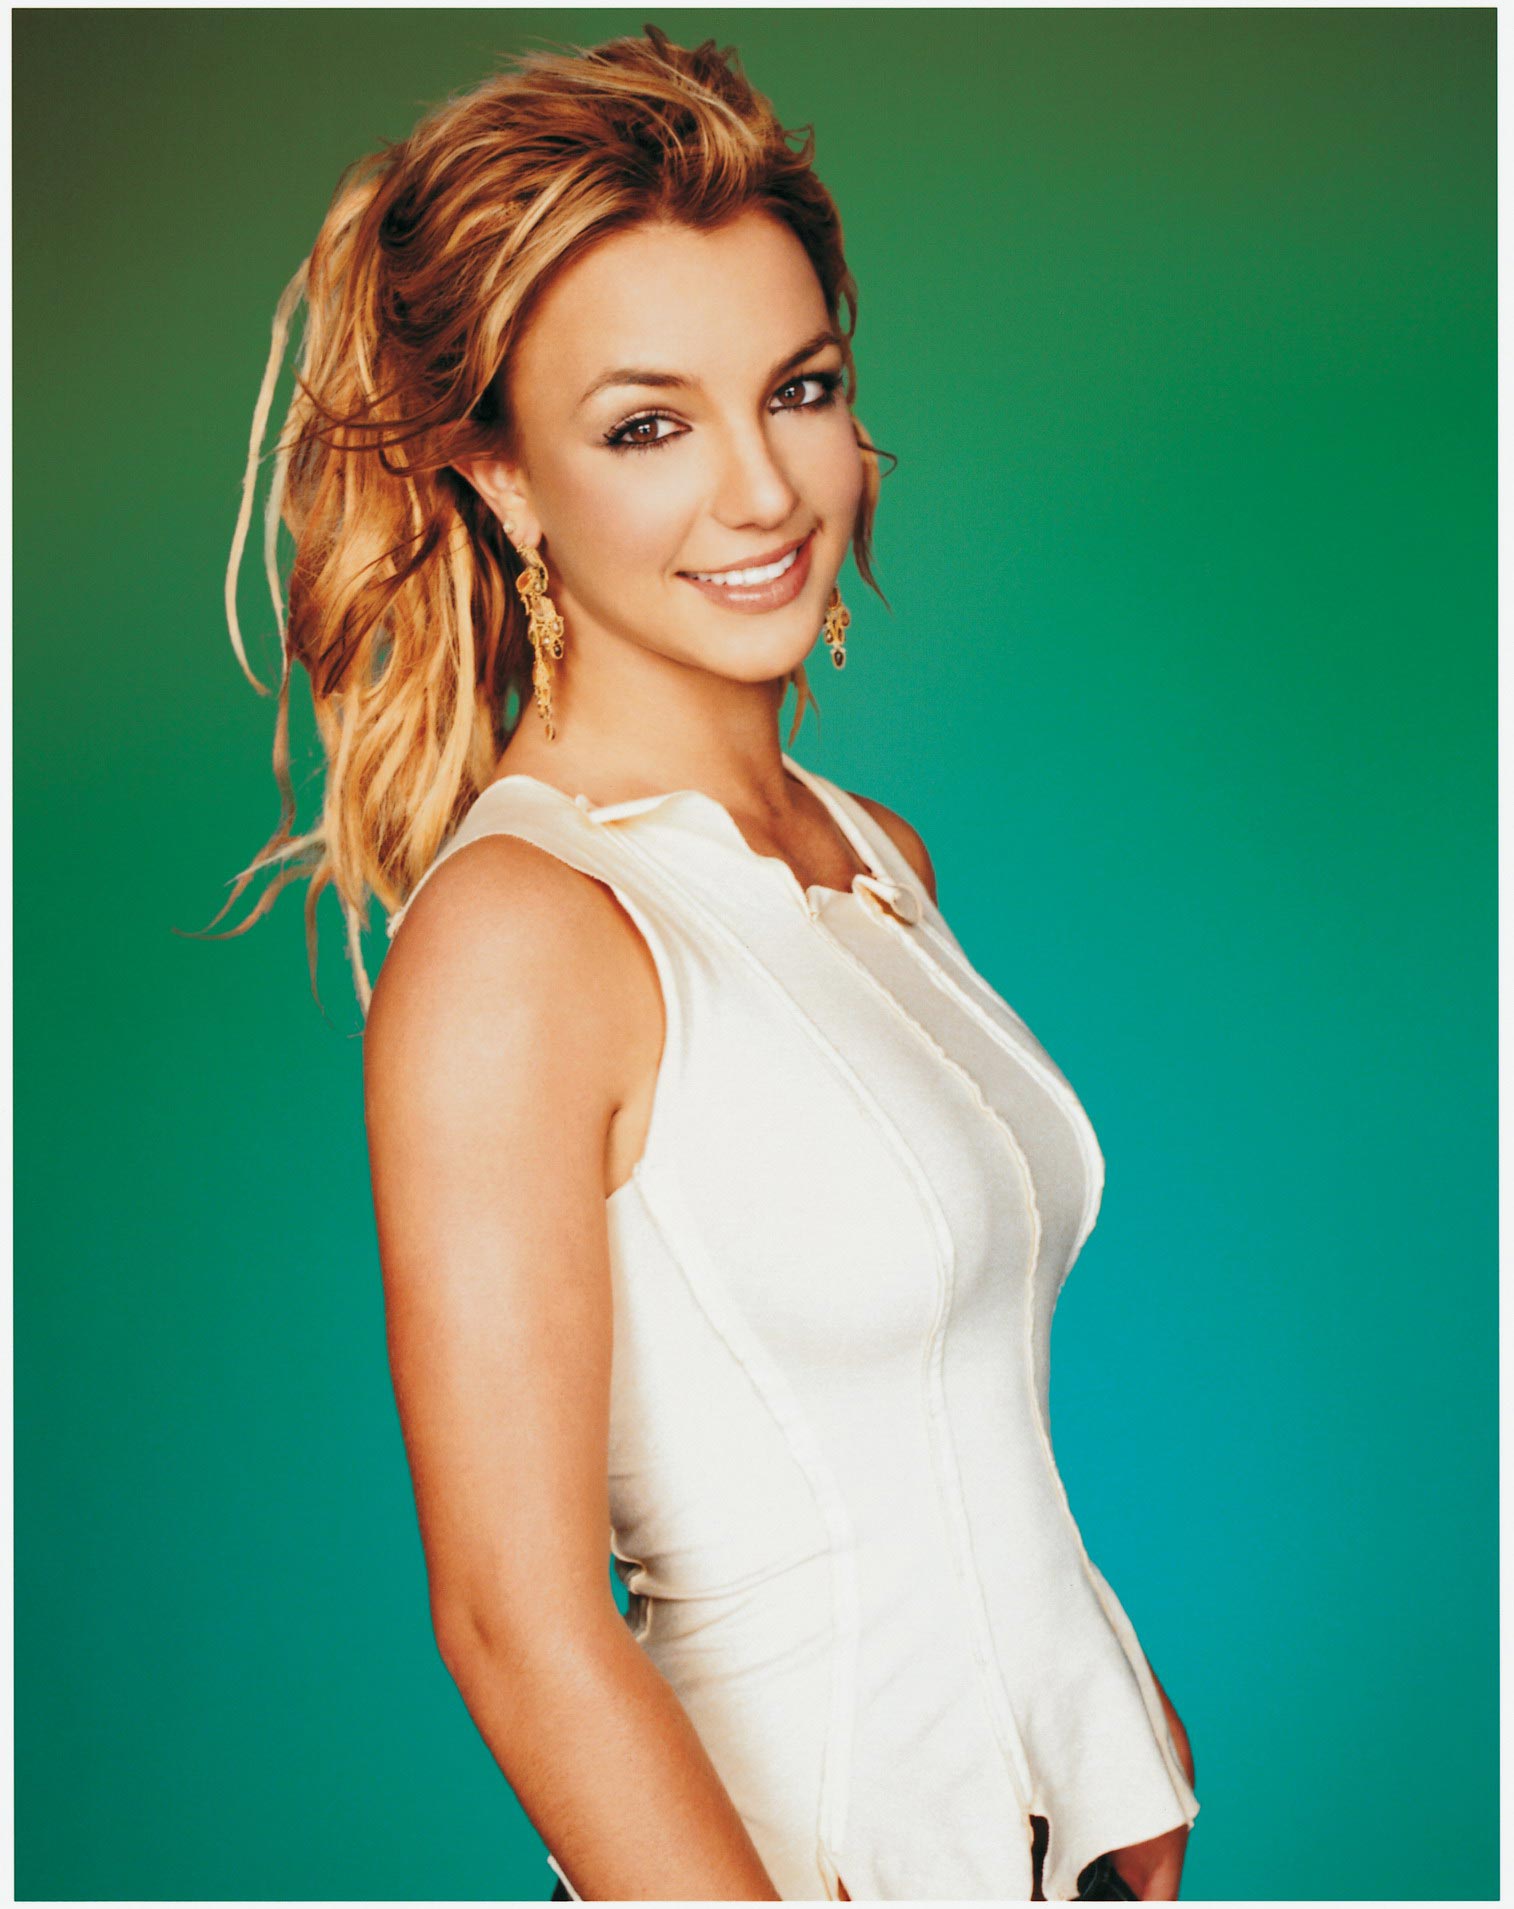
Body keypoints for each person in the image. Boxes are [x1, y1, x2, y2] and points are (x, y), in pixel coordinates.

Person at [218, 24, 1200, 1902]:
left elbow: (945, 1423)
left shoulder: (869, 852)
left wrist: (1111, 1733)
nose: (762, 492)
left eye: (798, 389)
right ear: (504, 479)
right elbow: (513, 1621)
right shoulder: (521, 938)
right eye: (647, 425)